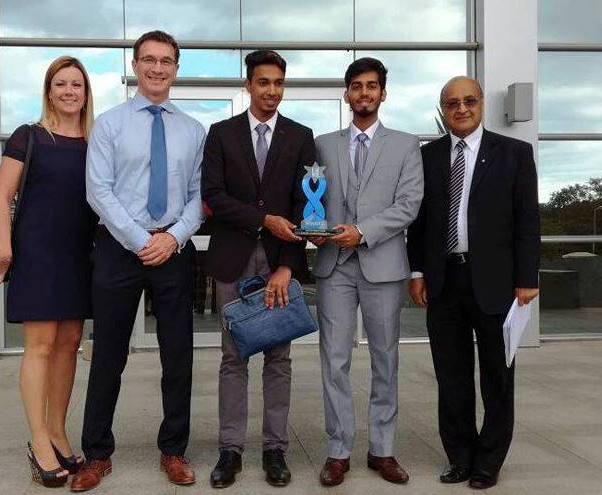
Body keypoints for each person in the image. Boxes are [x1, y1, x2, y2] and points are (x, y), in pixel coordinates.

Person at [72, 30, 205, 491]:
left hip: (172, 250)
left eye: (166, 61)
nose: (157, 68)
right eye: (148, 60)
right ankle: (96, 454)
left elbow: (197, 197)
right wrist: (136, 239)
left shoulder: (193, 130)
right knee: (108, 354)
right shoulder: (109, 124)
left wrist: (172, 238)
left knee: (178, 356)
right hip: (117, 248)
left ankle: (173, 450)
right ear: (135, 65)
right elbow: (98, 191)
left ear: (176, 68)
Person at [406, 76, 540, 490]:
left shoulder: (514, 153)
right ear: (443, 109)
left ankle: (489, 461)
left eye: (468, 101)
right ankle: (460, 456)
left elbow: (527, 221)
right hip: (444, 279)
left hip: (497, 282)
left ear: (481, 104)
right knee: (451, 375)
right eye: (452, 103)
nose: (461, 109)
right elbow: (420, 220)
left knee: (497, 376)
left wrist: (527, 277)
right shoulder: (427, 155)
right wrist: (417, 272)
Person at [201, 49, 315, 489]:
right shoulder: (222, 133)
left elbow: (308, 205)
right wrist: (261, 219)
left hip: (279, 262)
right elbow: (212, 194)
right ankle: (230, 450)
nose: (271, 91)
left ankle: (274, 450)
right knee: (233, 357)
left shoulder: (301, 136)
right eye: (263, 82)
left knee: (279, 358)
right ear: (248, 85)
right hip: (233, 258)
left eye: (278, 83)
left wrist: (288, 266)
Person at [308, 57, 424, 487]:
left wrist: (363, 231)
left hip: (382, 264)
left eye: (371, 86)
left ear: (383, 94)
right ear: (346, 94)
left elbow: (409, 205)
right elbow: (311, 200)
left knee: (385, 360)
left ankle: (382, 450)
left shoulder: (406, 144)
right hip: (333, 266)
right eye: (356, 86)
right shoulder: (322, 144)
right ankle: (338, 452)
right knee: (333, 361)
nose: (364, 93)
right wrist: (314, 232)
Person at [0, 55, 96, 488]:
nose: (69, 91)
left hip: (79, 254)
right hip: (37, 254)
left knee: (69, 344)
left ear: (86, 93)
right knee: (41, 346)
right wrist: (7, 251)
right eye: (61, 84)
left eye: (77, 85)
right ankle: (38, 440)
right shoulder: (28, 137)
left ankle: (58, 431)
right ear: (49, 91)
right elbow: (1, 197)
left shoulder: (95, 141)